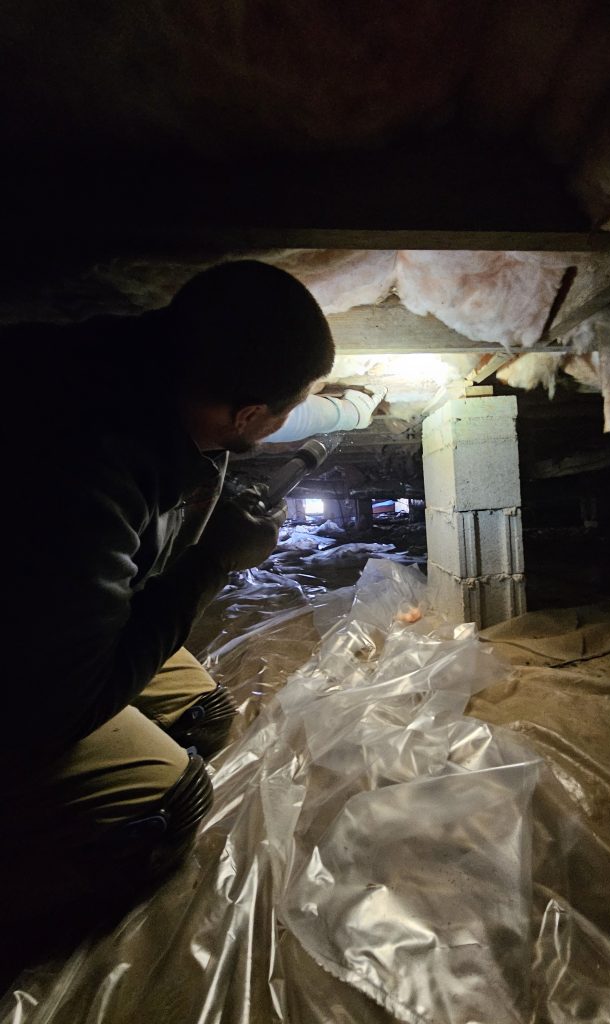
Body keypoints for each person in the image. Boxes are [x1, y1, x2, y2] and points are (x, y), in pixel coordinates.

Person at [1, 259, 384, 938]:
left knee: (204, 712)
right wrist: (209, 563)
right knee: (176, 801)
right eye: (285, 411)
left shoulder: (147, 356)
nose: (287, 422)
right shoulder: (91, 474)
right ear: (247, 415)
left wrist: (350, 407)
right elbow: (69, 701)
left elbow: (278, 415)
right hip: (32, 683)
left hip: (42, 614)